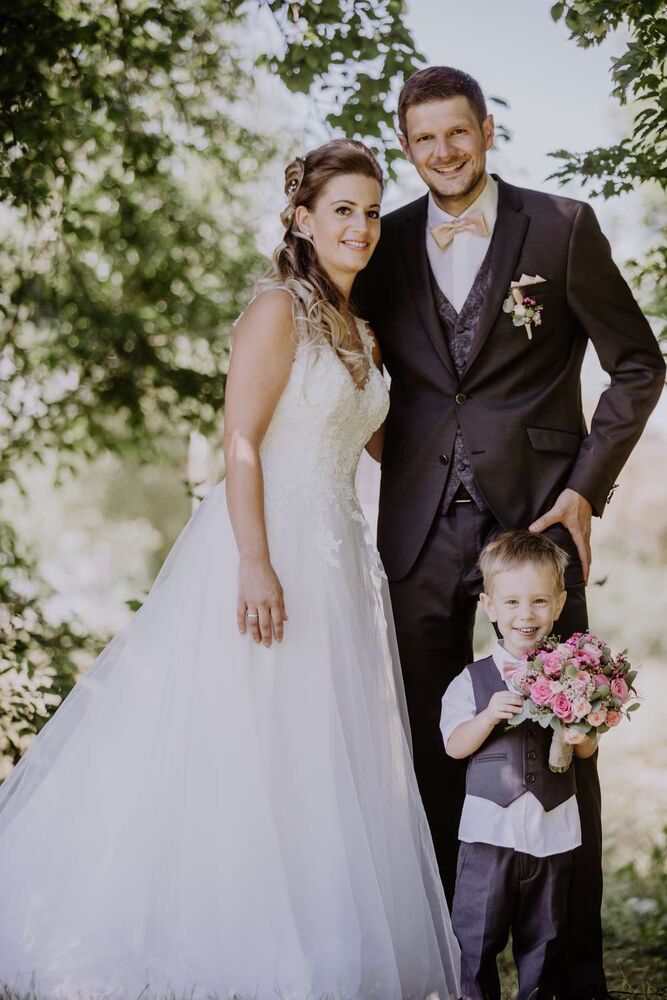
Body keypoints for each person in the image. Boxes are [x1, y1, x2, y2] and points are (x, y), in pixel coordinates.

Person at [0, 139, 460, 1000]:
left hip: (338, 560)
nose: (361, 227)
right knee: (246, 736)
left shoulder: (362, 331)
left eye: (370, 211)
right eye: (341, 210)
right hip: (266, 545)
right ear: (302, 219)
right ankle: (221, 945)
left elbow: (388, 447)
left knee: (318, 750)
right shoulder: (276, 311)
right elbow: (241, 441)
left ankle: (318, 945)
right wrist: (254, 561)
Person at [353, 65, 665, 997]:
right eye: (423, 138)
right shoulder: (382, 241)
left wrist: (584, 490)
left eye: (457, 131)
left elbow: (637, 365)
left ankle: (563, 973)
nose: (442, 151)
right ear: (405, 145)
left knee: (559, 735)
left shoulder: (560, 226)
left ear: (487, 130)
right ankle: (446, 965)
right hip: (415, 528)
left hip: (536, 523)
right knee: (430, 741)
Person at [442, 531, 598, 999]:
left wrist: (581, 734)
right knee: (476, 937)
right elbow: (454, 746)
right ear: (489, 607)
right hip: (489, 833)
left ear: (558, 604)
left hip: (553, 831)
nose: (525, 614)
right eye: (511, 602)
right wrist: (488, 715)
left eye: (538, 601)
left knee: (546, 938)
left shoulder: (575, 676)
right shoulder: (470, 681)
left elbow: (587, 750)